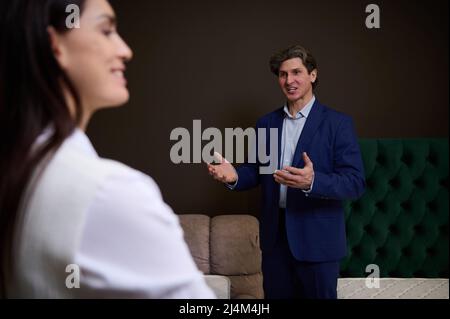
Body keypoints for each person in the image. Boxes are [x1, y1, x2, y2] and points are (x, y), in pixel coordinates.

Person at [0, 0, 215, 298]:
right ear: (56, 46)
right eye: (106, 30)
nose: (125, 50)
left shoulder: (19, 169)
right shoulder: (109, 191)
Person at [207, 44, 366, 299]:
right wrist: (235, 176)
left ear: (312, 75)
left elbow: (355, 182)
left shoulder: (338, 124)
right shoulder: (267, 123)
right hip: (275, 242)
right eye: (283, 74)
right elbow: (257, 171)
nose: (289, 80)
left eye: (296, 72)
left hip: (318, 243)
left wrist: (312, 181)